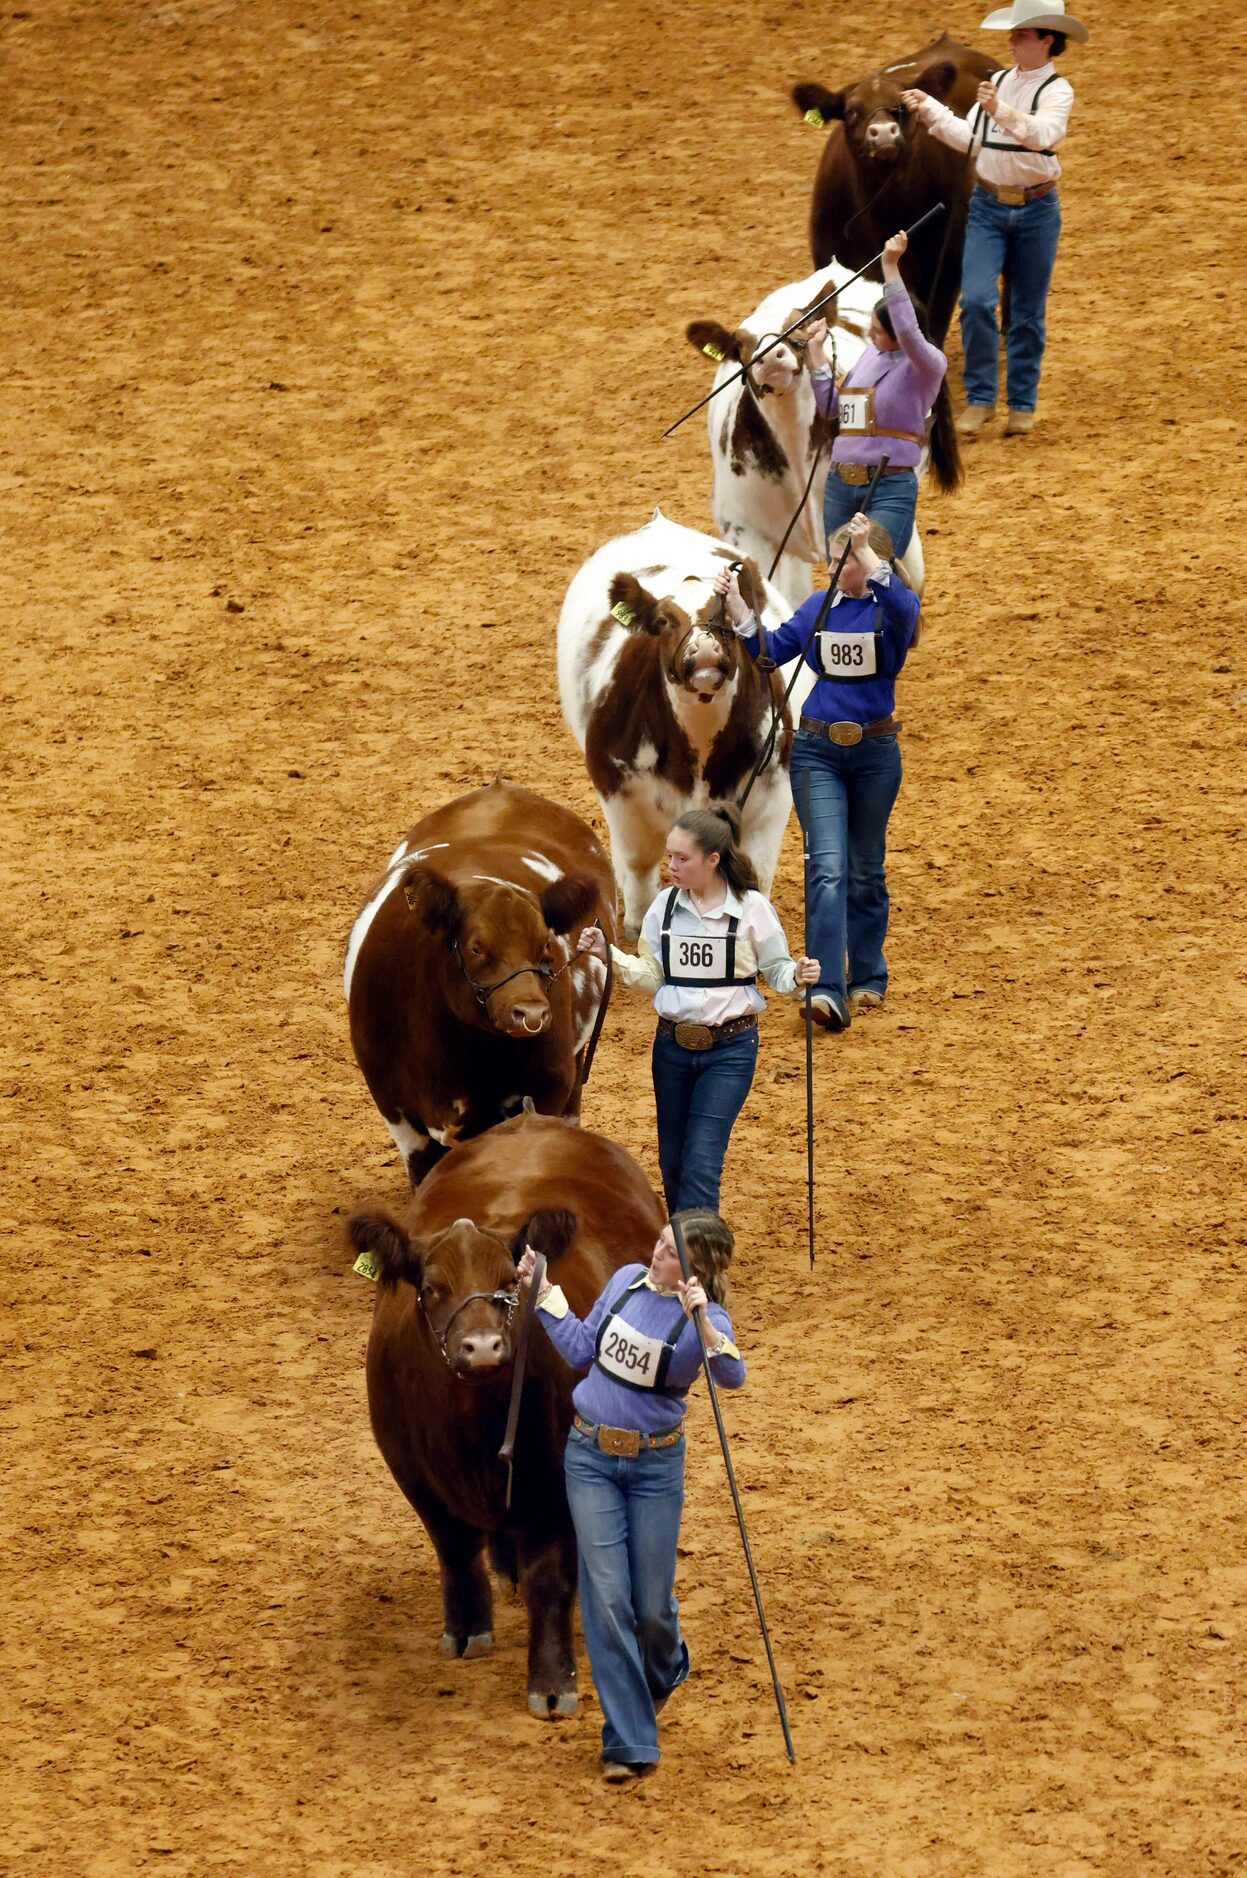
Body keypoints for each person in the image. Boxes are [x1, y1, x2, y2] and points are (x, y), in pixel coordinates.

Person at [516, 1210, 744, 1782]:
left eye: (670, 1252)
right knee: (607, 1600)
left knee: (651, 1608)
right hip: (590, 1456)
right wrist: (544, 1294)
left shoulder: (704, 1320)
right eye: (661, 1243)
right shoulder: (623, 1282)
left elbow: (731, 1375)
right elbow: (579, 1350)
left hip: (654, 1468)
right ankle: (628, 1742)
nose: (656, 1254)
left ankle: (666, 1665)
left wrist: (704, 1324)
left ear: (700, 1269)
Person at [714, 511, 920, 1031]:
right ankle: (827, 987)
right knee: (826, 866)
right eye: (831, 558)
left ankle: (869, 970)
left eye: (841, 559)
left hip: (875, 755)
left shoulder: (889, 613)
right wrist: (740, 610)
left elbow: (906, 607)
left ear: (869, 563)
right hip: (817, 752)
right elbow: (770, 652)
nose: (831, 568)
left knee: (866, 867)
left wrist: (867, 552)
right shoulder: (818, 606)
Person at [578, 806, 818, 1213]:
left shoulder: (752, 908)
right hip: (671, 1047)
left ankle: (699, 1263)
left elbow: (776, 970)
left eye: (681, 858)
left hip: (730, 1050)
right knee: (672, 1163)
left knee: (701, 1161)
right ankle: (685, 1251)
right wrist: (609, 954)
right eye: (669, 855)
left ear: (713, 860)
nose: (670, 866)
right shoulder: (664, 908)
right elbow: (654, 975)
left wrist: (798, 975)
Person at [901, 0, 1089, 439]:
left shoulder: (1057, 91)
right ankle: (982, 398)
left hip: (1037, 209)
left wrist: (1000, 109)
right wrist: (930, 108)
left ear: (1047, 40)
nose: (1012, 40)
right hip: (987, 205)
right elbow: (972, 141)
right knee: (979, 301)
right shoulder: (999, 81)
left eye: (1021, 34)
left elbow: (1044, 135)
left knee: (1025, 311)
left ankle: (1021, 403)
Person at [805, 228, 957, 562]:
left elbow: (907, 329)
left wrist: (890, 267)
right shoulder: (869, 357)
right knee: (841, 576)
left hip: (888, 486)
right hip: (840, 483)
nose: (871, 336)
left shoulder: (926, 363)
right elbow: (832, 408)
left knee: (874, 570)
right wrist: (815, 356)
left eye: (878, 331)